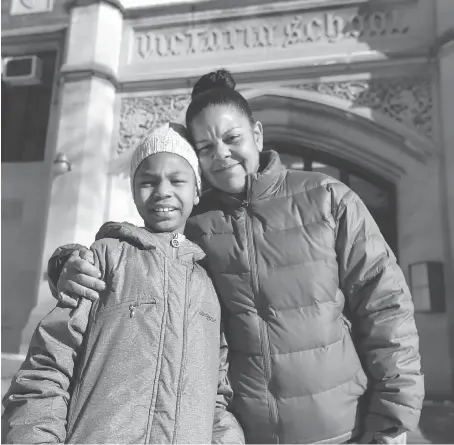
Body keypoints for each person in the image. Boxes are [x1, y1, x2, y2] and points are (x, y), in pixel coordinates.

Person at [43, 70, 424, 444]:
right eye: (206, 149)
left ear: (256, 134)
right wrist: (66, 263)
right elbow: (132, 251)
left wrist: (392, 420)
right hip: (246, 433)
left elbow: (385, 306)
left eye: (232, 138)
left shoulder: (327, 198)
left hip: (344, 429)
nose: (222, 155)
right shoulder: (194, 224)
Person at [1, 122, 244, 445]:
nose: (162, 191)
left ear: (196, 190)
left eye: (177, 180)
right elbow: (48, 366)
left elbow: (216, 395)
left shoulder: (207, 284)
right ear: (133, 190)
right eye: (148, 181)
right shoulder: (103, 260)